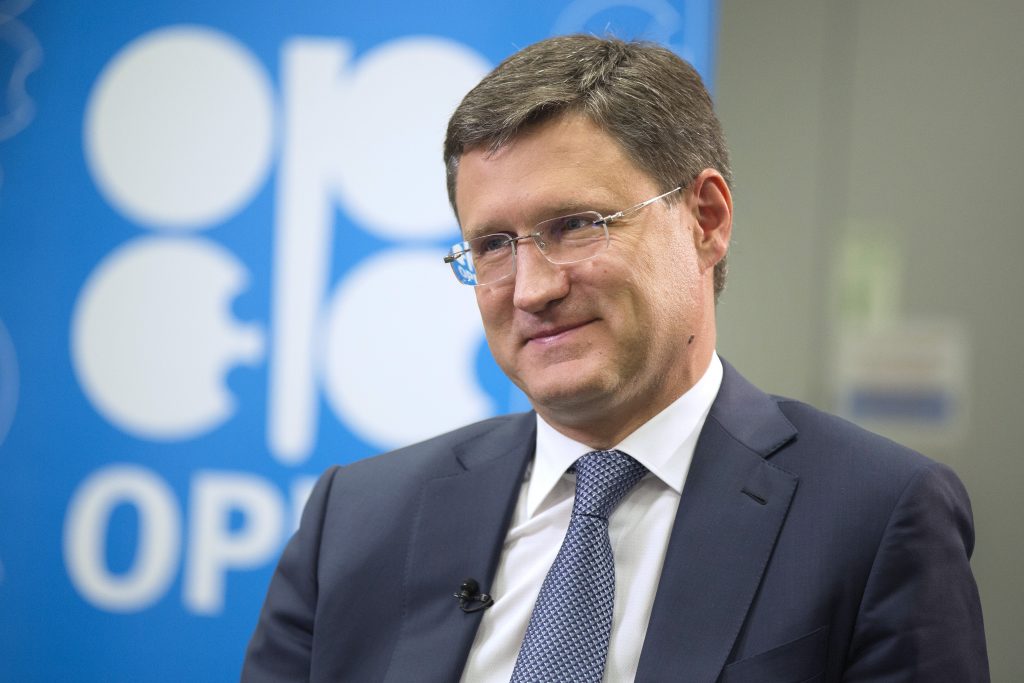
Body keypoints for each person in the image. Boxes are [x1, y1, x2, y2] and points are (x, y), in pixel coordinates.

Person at [242, 35, 988, 682]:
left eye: (575, 225)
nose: (532, 289)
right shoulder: (356, 520)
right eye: (493, 245)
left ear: (706, 220)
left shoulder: (874, 515)